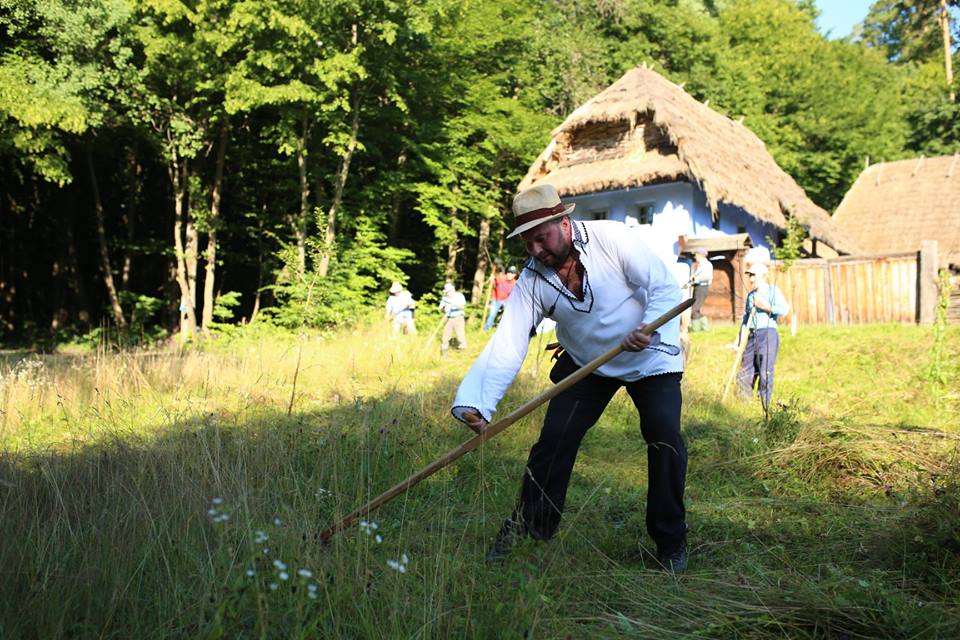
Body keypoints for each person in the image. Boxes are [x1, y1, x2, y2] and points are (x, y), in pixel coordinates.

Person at [451, 183, 688, 572]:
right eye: (527, 243)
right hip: (586, 361)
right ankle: (528, 531)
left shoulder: (612, 239)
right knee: (554, 442)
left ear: (564, 223)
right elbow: (509, 339)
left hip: (648, 354)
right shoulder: (533, 279)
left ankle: (671, 541)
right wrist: (477, 403)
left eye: (540, 239)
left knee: (665, 438)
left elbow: (664, 287)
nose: (535, 251)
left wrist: (647, 327)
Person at [735, 263, 789, 411]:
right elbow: (746, 319)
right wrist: (739, 340)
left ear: (764, 276)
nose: (751, 278)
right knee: (745, 370)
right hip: (752, 335)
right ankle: (744, 404)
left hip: (768, 333)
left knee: (765, 369)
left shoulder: (773, 291)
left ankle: (764, 403)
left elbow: (784, 310)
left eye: (754, 275)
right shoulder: (751, 295)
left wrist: (765, 306)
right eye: (750, 275)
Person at [483, 265, 518, 330]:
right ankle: (486, 329)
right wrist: (491, 279)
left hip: (506, 300)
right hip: (496, 299)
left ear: (515, 275)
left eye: (512, 273)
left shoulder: (515, 283)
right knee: (492, 314)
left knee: (508, 315)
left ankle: (504, 330)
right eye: (509, 272)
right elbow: (491, 282)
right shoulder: (501, 278)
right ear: (507, 273)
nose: (510, 274)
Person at [439, 281, 467, 355]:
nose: (448, 293)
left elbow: (463, 307)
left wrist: (453, 304)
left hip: (459, 318)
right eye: (447, 291)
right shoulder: (444, 298)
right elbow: (441, 310)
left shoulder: (459, 296)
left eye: (449, 291)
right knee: (445, 336)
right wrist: (445, 308)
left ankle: (462, 349)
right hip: (448, 318)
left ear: (453, 289)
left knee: (460, 335)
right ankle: (444, 351)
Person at [689, 248, 713, 332]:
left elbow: (707, 277)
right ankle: (704, 328)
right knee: (697, 308)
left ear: (700, 255)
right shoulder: (701, 264)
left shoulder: (706, 264)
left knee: (694, 308)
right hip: (699, 287)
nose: (695, 256)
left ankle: (696, 330)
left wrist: (695, 280)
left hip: (702, 287)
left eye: (696, 254)